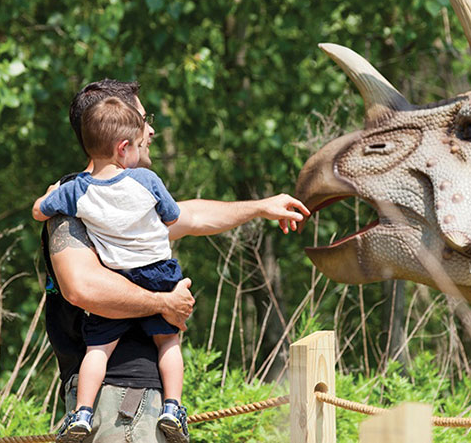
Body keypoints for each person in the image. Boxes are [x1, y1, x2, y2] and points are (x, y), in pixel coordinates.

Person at [42, 79, 310, 443]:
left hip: (135, 401)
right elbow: (82, 287)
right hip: (117, 400)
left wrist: (260, 207)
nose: (150, 130)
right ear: (121, 139)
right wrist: (164, 302)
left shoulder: (118, 200)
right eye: (142, 118)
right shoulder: (72, 199)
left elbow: (192, 216)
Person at [34, 97, 190, 442]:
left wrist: (50, 196)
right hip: (158, 276)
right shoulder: (146, 180)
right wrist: (164, 301)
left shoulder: (74, 190)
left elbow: (38, 211)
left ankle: (82, 412)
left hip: (117, 278)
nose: (149, 135)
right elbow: (175, 216)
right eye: (139, 137)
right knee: (169, 342)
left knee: (97, 350)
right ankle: (173, 407)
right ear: (123, 148)